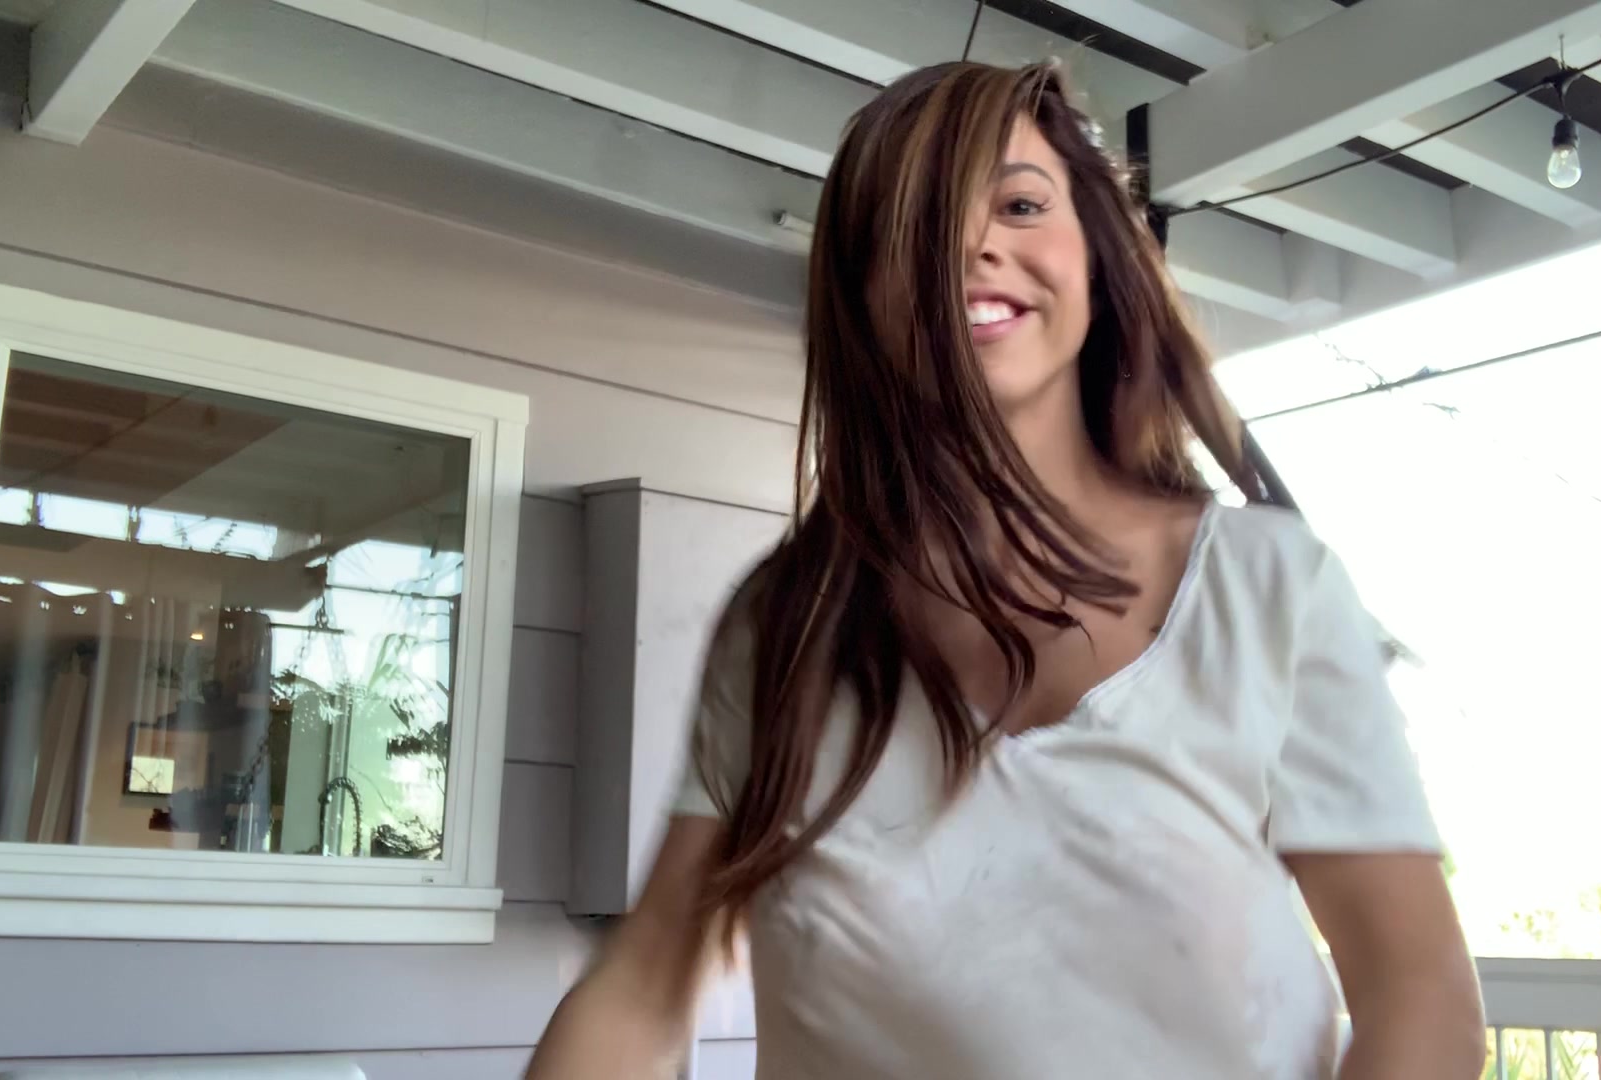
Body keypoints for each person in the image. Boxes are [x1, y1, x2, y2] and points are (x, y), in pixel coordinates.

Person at [527, 61, 1484, 1080]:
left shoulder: (1269, 592)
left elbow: (1417, 996)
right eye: (916, 225)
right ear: (860, 295)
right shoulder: (788, 623)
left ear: (1096, 256)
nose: (971, 246)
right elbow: (641, 992)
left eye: (1021, 204)